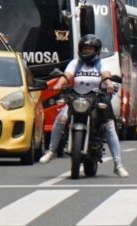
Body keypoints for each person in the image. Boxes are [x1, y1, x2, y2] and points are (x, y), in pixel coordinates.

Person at [39, 34, 129, 178]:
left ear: (96, 50)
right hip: (76, 97)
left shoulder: (101, 63)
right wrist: (58, 85)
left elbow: (105, 75)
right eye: (85, 48)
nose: (87, 51)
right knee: (61, 118)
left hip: (96, 98)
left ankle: (118, 164)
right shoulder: (75, 63)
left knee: (109, 126)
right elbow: (66, 75)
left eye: (90, 48)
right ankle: (52, 151)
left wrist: (109, 84)